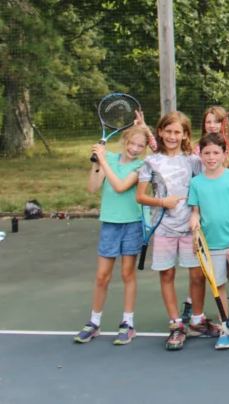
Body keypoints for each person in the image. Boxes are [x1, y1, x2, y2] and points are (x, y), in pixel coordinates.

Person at [134, 111, 206, 350]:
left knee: (197, 276)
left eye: (178, 132)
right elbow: (141, 196)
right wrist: (162, 202)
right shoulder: (151, 162)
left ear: (185, 134)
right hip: (163, 228)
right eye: (168, 131)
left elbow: (205, 187)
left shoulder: (193, 161)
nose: (172, 136)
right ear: (160, 132)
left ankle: (197, 320)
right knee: (167, 275)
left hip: (189, 228)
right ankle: (176, 324)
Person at [73, 125, 150, 345]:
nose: (134, 149)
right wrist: (98, 162)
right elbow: (93, 187)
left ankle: (128, 324)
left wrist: (104, 162)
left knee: (127, 274)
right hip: (110, 225)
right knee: (101, 277)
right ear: (125, 140)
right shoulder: (110, 159)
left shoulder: (141, 166)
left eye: (140, 146)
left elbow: (120, 187)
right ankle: (94, 323)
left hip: (132, 225)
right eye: (132, 143)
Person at [188, 132, 229, 350]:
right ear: (200, 155)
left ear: (224, 154)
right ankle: (225, 327)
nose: (211, 157)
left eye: (216, 152)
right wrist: (194, 220)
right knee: (220, 287)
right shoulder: (196, 183)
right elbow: (195, 211)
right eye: (206, 153)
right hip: (210, 245)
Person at [182, 106, 229, 325]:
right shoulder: (197, 150)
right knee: (200, 264)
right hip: (201, 214)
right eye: (208, 121)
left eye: (217, 121)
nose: (212, 125)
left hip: (225, 217)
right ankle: (191, 302)